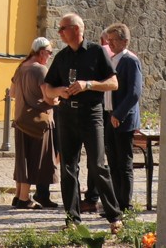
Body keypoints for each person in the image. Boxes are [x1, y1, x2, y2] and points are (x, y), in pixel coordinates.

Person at [43, 13, 122, 232]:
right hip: (67, 115)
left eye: (63, 28)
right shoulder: (62, 57)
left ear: (77, 29)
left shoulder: (97, 52)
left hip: (91, 114)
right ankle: (72, 220)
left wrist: (88, 84)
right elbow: (48, 89)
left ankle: (114, 217)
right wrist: (59, 91)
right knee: (68, 168)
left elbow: (114, 83)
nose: (59, 32)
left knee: (97, 165)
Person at [11, 37, 57, 210]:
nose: (50, 56)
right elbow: (48, 97)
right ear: (42, 52)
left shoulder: (21, 67)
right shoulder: (40, 69)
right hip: (37, 121)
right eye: (49, 52)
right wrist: (57, 99)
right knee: (34, 159)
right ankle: (24, 198)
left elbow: (12, 93)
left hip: (20, 119)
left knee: (22, 159)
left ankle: (18, 196)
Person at [102, 24, 142, 217]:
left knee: (124, 163)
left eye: (113, 40)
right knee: (112, 162)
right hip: (109, 116)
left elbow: (134, 92)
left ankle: (125, 205)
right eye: (108, 40)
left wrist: (119, 114)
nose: (110, 44)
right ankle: (115, 205)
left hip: (122, 118)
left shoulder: (130, 61)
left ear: (124, 42)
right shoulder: (111, 60)